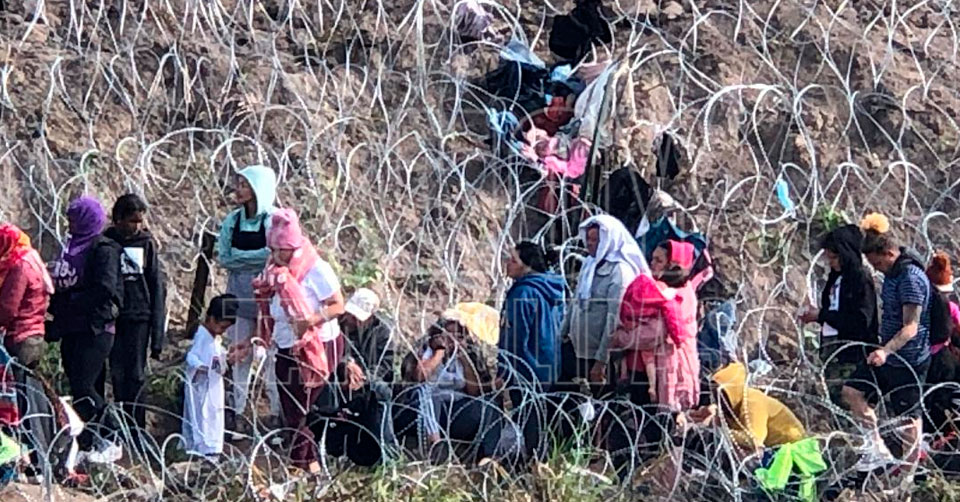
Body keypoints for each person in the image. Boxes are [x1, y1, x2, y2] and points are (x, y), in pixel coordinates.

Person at [253, 208, 344, 474]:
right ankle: (307, 464)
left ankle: (301, 463)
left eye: (278, 250)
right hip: (286, 344)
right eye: (271, 249)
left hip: (317, 347)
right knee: (291, 406)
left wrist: (311, 321)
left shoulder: (316, 269)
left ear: (292, 247)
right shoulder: (275, 270)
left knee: (301, 407)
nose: (273, 255)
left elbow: (337, 305)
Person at [841, 213, 931, 468]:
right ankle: (877, 449)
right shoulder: (892, 275)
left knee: (908, 419)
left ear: (889, 253)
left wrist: (886, 351)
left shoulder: (910, 278)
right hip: (887, 355)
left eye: (877, 263)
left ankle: (909, 473)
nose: (876, 269)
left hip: (908, 359)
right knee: (852, 392)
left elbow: (911, 327)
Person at [47, 196, 123, 448]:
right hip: (71, 328)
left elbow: (104, 288)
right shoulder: (70, 248)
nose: (69, 225)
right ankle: (88, 443)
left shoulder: (104, 250)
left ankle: (112, 437)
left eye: (73, 220)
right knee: (79, 388)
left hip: (95, 328)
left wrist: (71, 300)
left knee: (84, 386)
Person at [216, 165, 281, 429]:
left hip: (269, 301)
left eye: (245, 185)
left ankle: (277, 413)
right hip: (239, 299)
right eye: (239, 184)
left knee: (272, 359)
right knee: (239, 355)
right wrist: (257, 258)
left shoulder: (274, 220)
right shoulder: (233, 221)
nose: (239, 189)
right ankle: (238, 411)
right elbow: (224, 257)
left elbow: (274, 255)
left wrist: (242, 257)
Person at [559, 214, 649, 392]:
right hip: (576, 347)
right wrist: (562, 334)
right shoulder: (590, 264)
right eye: (588, 238)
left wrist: (601, 361)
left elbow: (614, 319)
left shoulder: (620, 272)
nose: (590, 243)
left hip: (597, 354)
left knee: (596, 400)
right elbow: (576, 301)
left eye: (596, 240)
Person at [103, 194, 167, 430]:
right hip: (114, 317)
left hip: (139, 317)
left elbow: (156, 287)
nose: (137, 226)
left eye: (140, 221)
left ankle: (137, 429)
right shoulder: (107, 242)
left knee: (136, 376)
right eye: (132, 221)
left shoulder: (146, 244)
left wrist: (158, 337)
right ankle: (122, 427)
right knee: (117, 374)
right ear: (118, 219)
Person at [313, 288, 397, 467]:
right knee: (324, 389)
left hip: (368, 381)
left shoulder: (383, 332)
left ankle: (387, 450)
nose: (352, 320)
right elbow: (330, 351)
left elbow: (386, 364)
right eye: (351, 315)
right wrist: (346, 364)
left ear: (371, 317)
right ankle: (326, 446)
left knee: (382, 391)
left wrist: (363, 378)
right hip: (339, 377)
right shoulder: (336, 325)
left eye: (358, 318)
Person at [614, 240, 700, 411]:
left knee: (656, 416)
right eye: (652, 259)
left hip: (664, 370)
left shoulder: (677, 295)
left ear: (673, 265)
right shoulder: (658, 289)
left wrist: (620, 337)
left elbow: (654, 334)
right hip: (642, 367)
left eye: (659, 261)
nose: (652, 264)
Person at [798, 225, 879, 404]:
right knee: (834, 400)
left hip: (851, 354)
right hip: (832, 349)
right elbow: (834, 312)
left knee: (848, 401)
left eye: (834, 257)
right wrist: (817, 314)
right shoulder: (836, 277)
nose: (831, 262)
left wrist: (821, 315)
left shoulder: (859, 279)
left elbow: (860, 321)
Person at [499, 241, 565, 389]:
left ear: (527, 266)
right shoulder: (551, 288)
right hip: (547, 369)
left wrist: (505, 374)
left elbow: (514, 340)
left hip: (524, 374)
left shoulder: (522, 294)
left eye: (514, 260)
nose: (508, 263)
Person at [182, 294, 242, 457]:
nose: (222, 331)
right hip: (202, 388)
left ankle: (211, 449)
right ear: (211, 319)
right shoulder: (202, 336)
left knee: (213, 417)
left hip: (213, 386)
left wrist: (226, 358)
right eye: (221, 327)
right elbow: (191, 356)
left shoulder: (213, 338)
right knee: (203, 418)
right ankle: (203, 450)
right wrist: (201, 367)